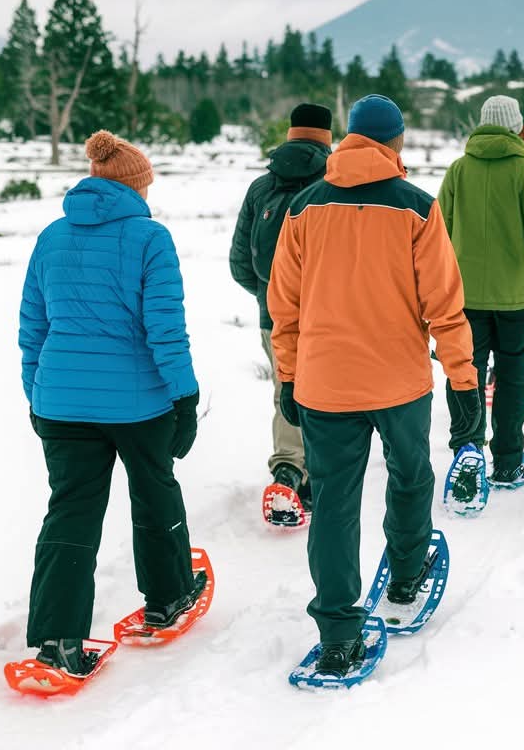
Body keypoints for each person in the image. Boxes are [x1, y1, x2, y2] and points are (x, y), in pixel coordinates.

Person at [267, 94, 478, 677]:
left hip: (324, 385)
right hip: (399, 383)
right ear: (397, 142)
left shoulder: (303, 208)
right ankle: (407, 577)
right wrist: (463, 381)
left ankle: (338, 632)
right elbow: (446, 307)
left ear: (350, 141)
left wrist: (288, 375)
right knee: (411, 477)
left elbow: (283, 306)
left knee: (334, 501)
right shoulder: (416, 209)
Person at [19, 131, 204, 676]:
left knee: (70, 510)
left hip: (60, 403)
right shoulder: (151, 237)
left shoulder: (51, 237)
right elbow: (165, 331)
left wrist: (36, 391)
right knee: (154, 492)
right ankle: (169, 597)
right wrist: (185, 397)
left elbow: (34, 326)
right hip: (137, 405)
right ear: (136, 185)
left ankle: (58, 640)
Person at [438, 95, 524, 479]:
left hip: (464, 297)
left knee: (466, 372)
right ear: (516, 127)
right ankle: (508, 462)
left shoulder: (459, 171)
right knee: (511, 375)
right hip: (515, 299)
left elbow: (438, 233)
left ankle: (467, 452)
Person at [229, 103, 333, 512]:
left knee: (284, 390)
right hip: (328, 314)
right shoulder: (335, 183)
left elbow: (240, 262)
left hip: (272, 318)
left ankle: (289, 471)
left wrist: (270, 296)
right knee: (327, 395)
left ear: (291, 133)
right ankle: (323, 475)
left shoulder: (261, 187)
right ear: (327, 137)